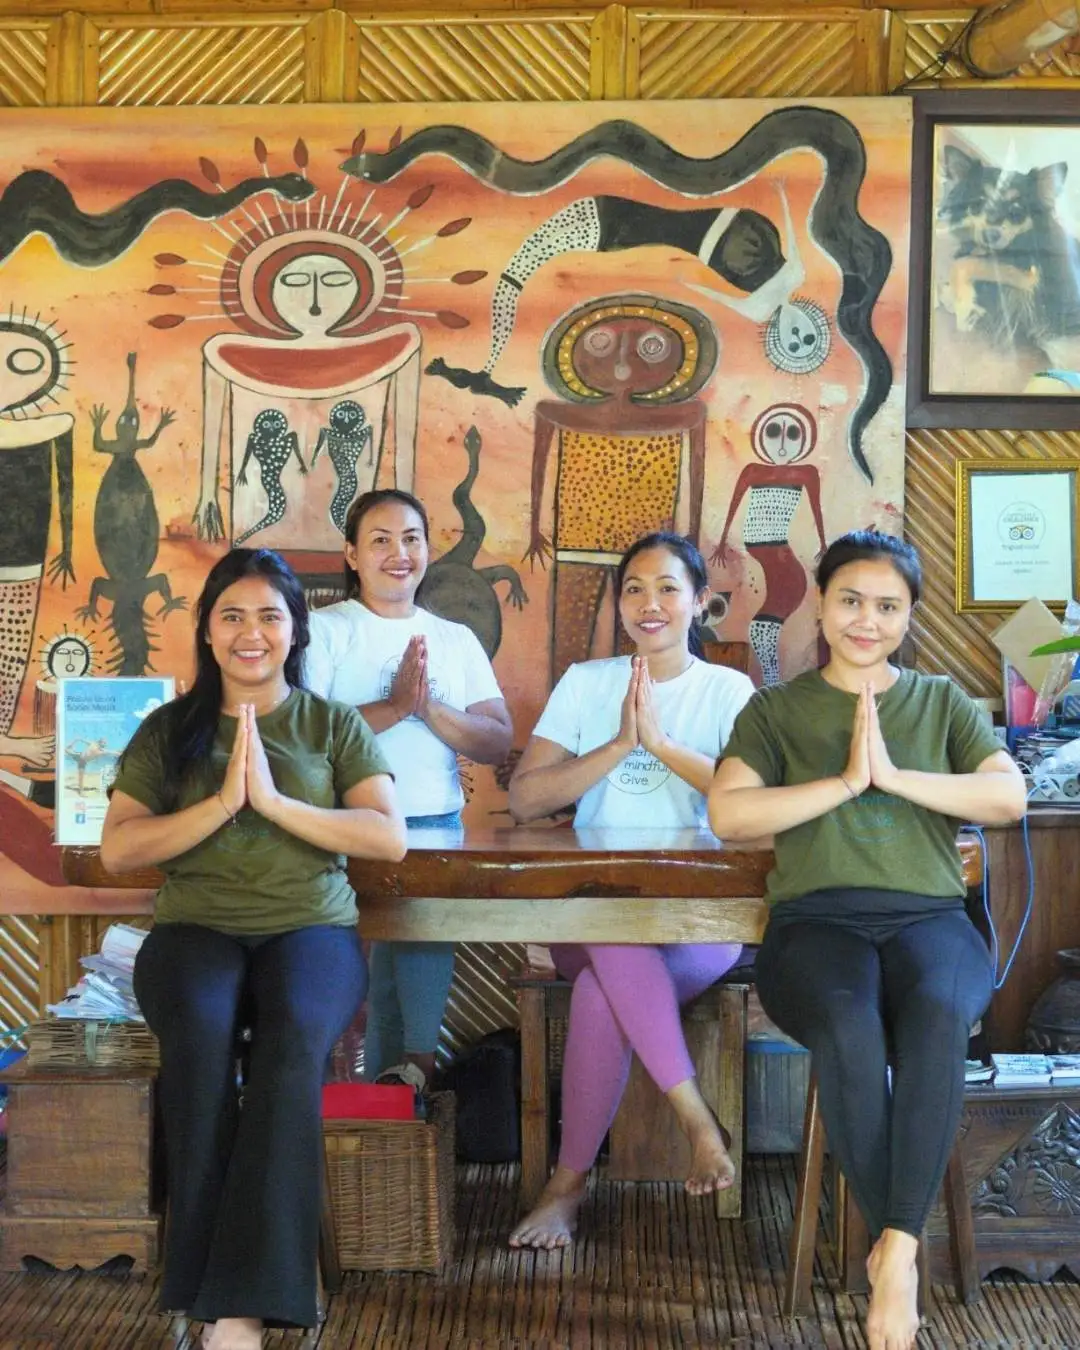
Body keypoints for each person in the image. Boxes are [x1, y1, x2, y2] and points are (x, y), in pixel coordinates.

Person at [708, 530, 1026, 1350]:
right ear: (822, 602)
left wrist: (893, 778)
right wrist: (846, 782)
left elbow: (1007, 798)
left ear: (908, 616)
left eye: (888, 606)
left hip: (929, 920)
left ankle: (897, 1251)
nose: (866, 620)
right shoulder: (776, 709)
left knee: (933, 1018)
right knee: (848, 1025)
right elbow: (730, 815)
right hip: (816, 926)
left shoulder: (940, 702)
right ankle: (902, 1242)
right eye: (851, 600)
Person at [100, 547, 406, 1350]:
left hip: (310, 931)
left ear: (295, 631)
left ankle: (231, 1310)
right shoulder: (169, 730)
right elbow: (121, 848)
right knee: (198, 1050)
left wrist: (270, 802)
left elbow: (387, 838)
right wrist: (221, 805)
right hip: (194, 930)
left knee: (289, 1050)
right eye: (231, 615)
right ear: (205, 631)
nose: (251, 633)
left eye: (270, 616)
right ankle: (216, 1296)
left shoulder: (330, 724)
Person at [506, 531, 755, 1249]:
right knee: (610, 926)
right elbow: (526, 800)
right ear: (619, 602)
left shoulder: (726, 690)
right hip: (586, 917)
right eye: (635, 589)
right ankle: (698, 1123)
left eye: (669, 588)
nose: (651, 604)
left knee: (599, 994)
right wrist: (617, 745)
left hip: (698, 919)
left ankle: (566, 1188)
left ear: (700, 602)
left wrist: (662, 745)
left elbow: (750, 799)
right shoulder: (587, 682)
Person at [305, 488, 512, 1089]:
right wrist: (396, 707)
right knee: (342, 980)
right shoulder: (323, 630)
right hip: (339, 833)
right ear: (351, 554)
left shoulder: (454, 639)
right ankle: (339, 1104)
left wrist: (427, 707)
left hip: (432, 828)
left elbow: (497, 740)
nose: (399, 553)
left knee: (414, 984)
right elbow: (305, 736)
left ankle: (405, 1096)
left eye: (411, 539)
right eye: (380, 540)